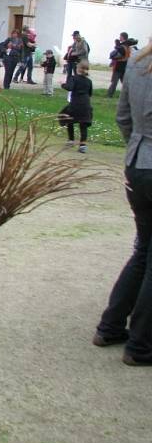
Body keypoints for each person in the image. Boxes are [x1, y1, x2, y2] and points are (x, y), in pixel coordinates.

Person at [94, 38, 152, 366]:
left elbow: (123, 117)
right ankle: (141, 345)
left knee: (143, 250)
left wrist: (136, 148)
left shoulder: (137, 63)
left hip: (137, 163)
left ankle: (111, 326)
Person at [58, 61, 92, 153]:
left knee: (68, 119)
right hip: (86, 104)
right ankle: (83, 145)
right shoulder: (89, 81)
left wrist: (62, 84)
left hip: (75, 103)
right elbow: (90, 93)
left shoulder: (74, 78)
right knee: (83, 124)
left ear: (78, 69)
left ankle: (71, 140)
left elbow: (70, 87)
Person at [107, 32, 135, 98]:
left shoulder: (122, 47)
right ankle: (129, 95)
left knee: (114, 83)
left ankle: (109, 95)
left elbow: (115, 55)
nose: (119, 38)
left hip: (118, 67)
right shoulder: (128, 47)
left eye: (120, 36)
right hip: (125, 67)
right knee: (125, 83)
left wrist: (116, 47)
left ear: (122, 37)